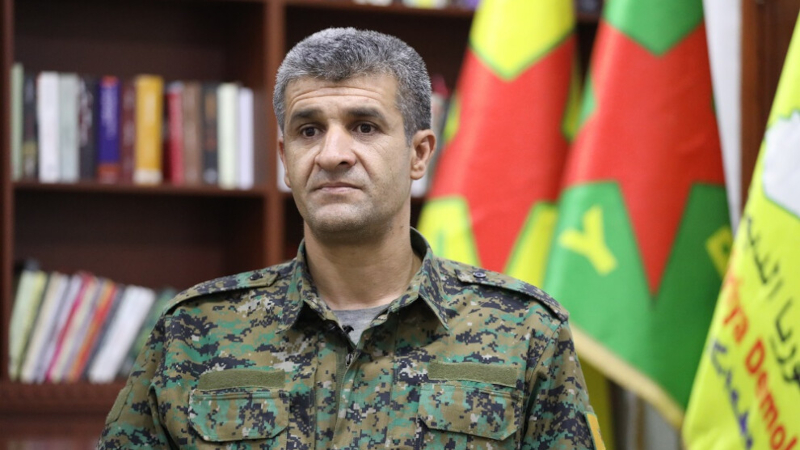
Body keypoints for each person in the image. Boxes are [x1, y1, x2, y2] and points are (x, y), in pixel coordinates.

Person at [98, 28, 604, 449]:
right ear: (285, 158)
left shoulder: (524, 332)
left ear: (419, 154)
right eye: (309, 131)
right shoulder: (192, 332)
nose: (332, 154)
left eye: (364, 127)